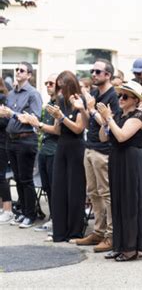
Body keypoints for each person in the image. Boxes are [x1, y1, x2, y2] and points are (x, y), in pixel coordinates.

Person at [97, 81, 142, 261]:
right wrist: (106, 120)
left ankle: (131, 247)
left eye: (125, 96)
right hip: (117, 158)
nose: (120, 98)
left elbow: (122, 136)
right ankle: (119, 244)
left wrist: (109, 118)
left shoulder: (139, 116)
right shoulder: (119, 115)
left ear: (135, 100)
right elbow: (103, 137)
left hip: (132, 160)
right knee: (117, 201)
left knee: (130, 202)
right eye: (120, 95)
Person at [75, 59, 120, 252]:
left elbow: (109, 123)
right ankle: (98, 232)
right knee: (93, 193)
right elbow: (87, 122)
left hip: (104, 150)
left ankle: (111, 235)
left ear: (108, 75)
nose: (93, 74)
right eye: (92, 70)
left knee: (106, 193)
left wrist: (92, 109)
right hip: (90, 146)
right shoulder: (94, 93)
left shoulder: (114, 96)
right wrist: (82, 109)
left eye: (98, 71)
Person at [43, 71, 87, 242]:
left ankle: (75, 231)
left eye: (61, 86)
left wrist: (61, 117)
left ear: (69, 85)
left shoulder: (79, 100)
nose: (59, 90)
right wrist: (38, 124)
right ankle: (59, 231)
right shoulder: (60, 101)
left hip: (76, 148)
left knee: (75, 190)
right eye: (58, 87)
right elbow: (57, 129)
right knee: (59, 188)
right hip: (62, 146)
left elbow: (78, 128)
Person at [0, 62, 42, 228]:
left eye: (21, 70)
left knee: (26, 180)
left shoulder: (33, 94)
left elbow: (35, 118)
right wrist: (4, 114)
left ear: (29, 75)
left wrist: (12, 114)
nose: (18, 72)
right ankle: (23, 212)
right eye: (16, 69)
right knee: (18, 179)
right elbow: (8, 116)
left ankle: (30, 215)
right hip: (11, 140)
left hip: (26, 139)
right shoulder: (11, 94)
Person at [26, 74, 60, 233]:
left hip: (55, 150)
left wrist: (37, 124)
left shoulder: (59, 104)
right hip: (45, 149)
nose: (48, 85)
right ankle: (52, 218)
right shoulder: (48, 104)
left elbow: (56, 130)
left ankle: (57, 220)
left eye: (51, 83)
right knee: (47, 187)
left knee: (55, 188)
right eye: (46, 83)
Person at [0, 77, 14, 223]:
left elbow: (5, 120)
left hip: (2, 142)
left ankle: (8, 209)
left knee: (2, 176)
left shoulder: (4, 98)